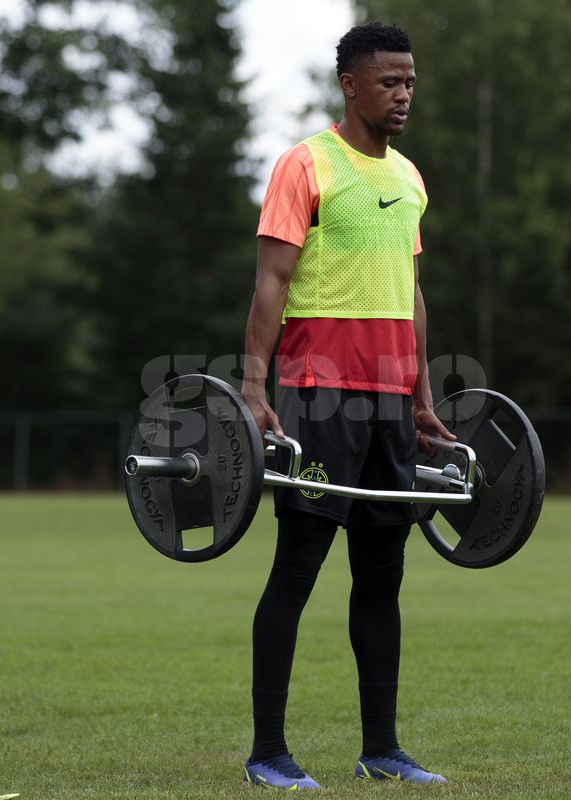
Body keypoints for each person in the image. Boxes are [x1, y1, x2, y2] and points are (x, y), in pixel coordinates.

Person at [239, 21, 454, 789]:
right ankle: (268, 753)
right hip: (319, 397)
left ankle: (382, 749)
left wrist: (422, 392)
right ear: (351, 85)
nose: (403, 95)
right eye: (390, 82)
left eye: (410, 82)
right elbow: (272, 281)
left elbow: (411, 293)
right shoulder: (306, 167)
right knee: (297, 567)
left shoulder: (412, 179)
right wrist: (255, 386)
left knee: (382, 576)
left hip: (390, 406)